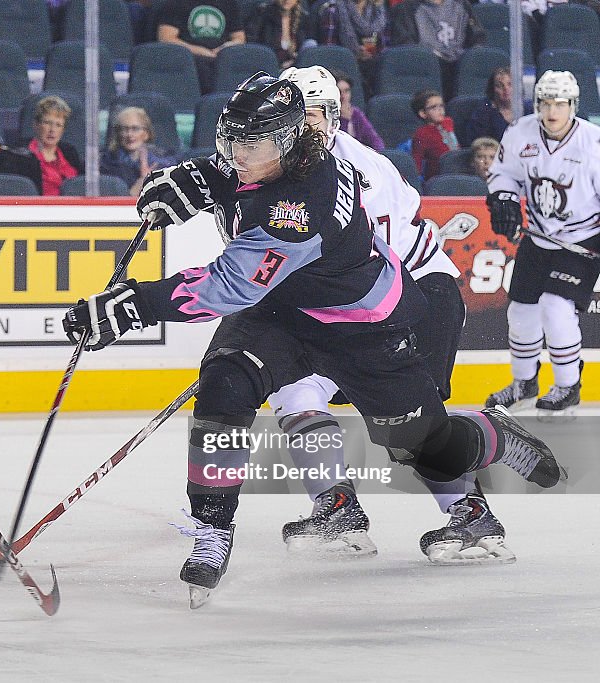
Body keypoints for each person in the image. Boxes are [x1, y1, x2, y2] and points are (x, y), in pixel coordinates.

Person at [62, 72, 562, 607]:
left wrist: (134, 304)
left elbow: (227, 285)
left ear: (287, 140)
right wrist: (197, 180)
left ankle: (492, 434)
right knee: (225, 382)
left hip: (362, 326)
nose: (236, 152)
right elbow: (236, 173)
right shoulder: (274, 152)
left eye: (250, 143)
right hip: (281, 311)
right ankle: (213, 531)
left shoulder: (303, 203)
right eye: (230, 138)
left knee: (417, 443)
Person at [274, 65, 509, 565]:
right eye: (290, 112)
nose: (298, 123)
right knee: (295, 390)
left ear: (333, 117)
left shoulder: (361, 172)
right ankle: (337, 509)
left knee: (404, 423)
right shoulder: (286, 169)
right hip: (363, 301)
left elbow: (365, 272)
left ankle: (473, 515)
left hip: (418, 298)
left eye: (310, 114)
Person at [485, 70, 600, 422]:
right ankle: (524, 382)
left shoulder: (593, 144)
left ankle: (568, 384)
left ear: (573, 106)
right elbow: (503, 173)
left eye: (560, 105)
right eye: (546, 103)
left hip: (582, 239)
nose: (552, 112)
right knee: (520, 312)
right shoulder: (521, 133)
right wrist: (504, 199)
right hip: (539, 237)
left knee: (555, 306)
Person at [388, 0, 485, 101]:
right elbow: (406, 45)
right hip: (427, 68)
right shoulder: (406, 8)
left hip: (459, 65)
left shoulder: (462, 5)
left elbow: (478, 37)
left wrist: (470, 57)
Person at [0, 95, 83, 195]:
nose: (52, 130)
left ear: (63, 130)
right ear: (36, 125)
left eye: (58, 125)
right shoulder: (18, 156)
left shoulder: (70, 153)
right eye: (47, 123)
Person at [157, 0, 245, 94]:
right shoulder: (176, 3)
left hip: (221, 58)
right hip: (190, 59)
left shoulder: (229, 3)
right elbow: (166, 38)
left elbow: (239, 38)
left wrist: (222, 50)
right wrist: (199, 51)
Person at [100, 106, 178, 196]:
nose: (130, 134)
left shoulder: (164, 163)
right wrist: (143, 179)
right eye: (124, 129)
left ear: (146, 133)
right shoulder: (106, 164)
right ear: (118, 134)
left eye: (135, 129)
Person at [245, 0, 317, 69]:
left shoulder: (303, 18)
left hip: (296, 68)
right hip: (270, 65)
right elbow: (253, 43)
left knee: (311, 43)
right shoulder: (262, 14)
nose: (287, 0)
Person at [335, 0, 388, 94]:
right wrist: (355, 51)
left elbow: (384, 41)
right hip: (346, 63)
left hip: (374, 61)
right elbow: (330, 46)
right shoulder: (336, 7)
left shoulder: (377, 8)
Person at [410, 88, 459, 181]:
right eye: (434, 107)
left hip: (456, 169)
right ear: (423, 113)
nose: (440, 110)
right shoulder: (422, 133)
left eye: (441, 106)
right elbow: (417, 161)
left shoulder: (448, 124)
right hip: (438, 177)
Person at [466, 66, 517, 144]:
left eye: (510, 84)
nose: (506, 88)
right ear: (492, 89)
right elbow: (480, 146)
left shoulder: (529, 109)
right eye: (499, 85)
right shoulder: (482, 114)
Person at [334, 71, 383, 151]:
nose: (343, 96)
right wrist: (344, 120)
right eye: (339, 92)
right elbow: (339, 144)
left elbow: (375, 141)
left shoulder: (356, 113)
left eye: (346, 91)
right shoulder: (327, 116)